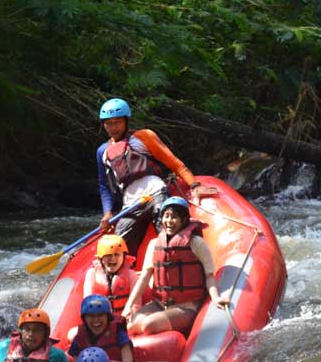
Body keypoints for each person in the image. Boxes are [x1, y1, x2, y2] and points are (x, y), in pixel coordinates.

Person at [96, 98, 205, 256]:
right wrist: (107, 212)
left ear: (126, 121)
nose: (113, 127)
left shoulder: (143, 137)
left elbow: (174, 162)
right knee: (117, 250)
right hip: (131, 205)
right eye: (108, 123)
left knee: (170, 234)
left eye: (117, 122)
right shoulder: (103, 151)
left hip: (156, 193)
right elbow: (104, 186)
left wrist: (194, 185)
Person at [123, 196, 230, 335]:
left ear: (184, 220)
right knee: (130, 326)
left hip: (187, 306)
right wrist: (128, 306)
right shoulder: (154, 244)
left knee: (149, 325)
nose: (169, 221)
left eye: (174, 217)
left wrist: (215, 298)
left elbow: (209, 276)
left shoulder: (196, 243)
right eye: (166, 216)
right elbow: (144, 278)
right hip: (160, 303)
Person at [82, 234, 140, 316]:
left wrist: (124, 319)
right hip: (100, 321)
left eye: (117, 254)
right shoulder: (92, 274)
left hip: (124, 320)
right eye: (108, 255)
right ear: (100, 258)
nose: (112, 258)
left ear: (124, 257)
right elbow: (87, 303)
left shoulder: (131, 275)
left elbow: (136, 305)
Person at [67, 294, 134, 362]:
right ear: (85, 319)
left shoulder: (119, 333)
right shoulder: (79, 338)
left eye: (100, 315)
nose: (96, 320)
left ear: (108, 317)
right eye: (91, 316)